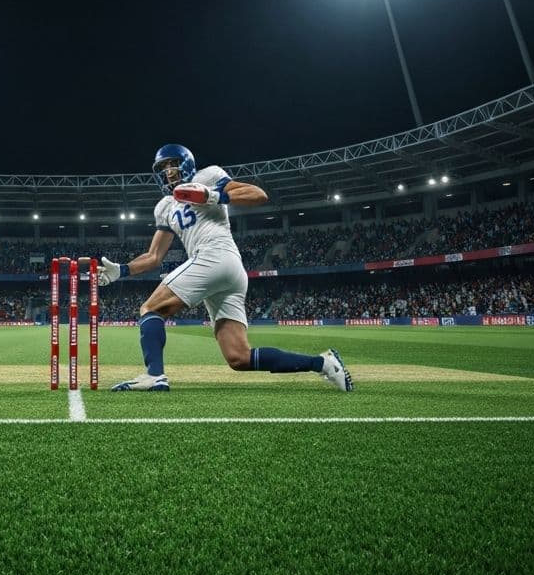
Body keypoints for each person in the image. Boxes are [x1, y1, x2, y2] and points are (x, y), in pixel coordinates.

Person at [99, 143, 353, 393]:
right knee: (239, 358)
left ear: (185, 162)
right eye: (163, 167)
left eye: (172, 164)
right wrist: (121, 270)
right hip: (226, 270)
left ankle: (154, 375)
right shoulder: (164, 206)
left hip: (215, 254)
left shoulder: (207, 175)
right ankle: (323, 364)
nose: (168, 171)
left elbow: (258, 195)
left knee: (150, 308)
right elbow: (154, 256)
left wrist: (215, 195)